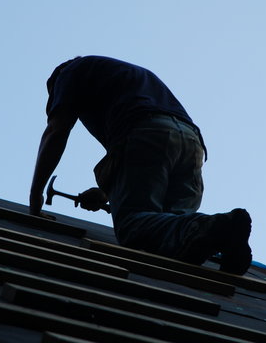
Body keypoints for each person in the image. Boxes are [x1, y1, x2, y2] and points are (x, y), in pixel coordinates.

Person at [30, 55, 252, 275]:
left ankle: (216, 227)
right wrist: (108, 192)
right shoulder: (126, 76)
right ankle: (225, 237)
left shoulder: (70, 73)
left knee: (133, 227)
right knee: (171, 236)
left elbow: (56, 131)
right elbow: (150, 153)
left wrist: (36, 194)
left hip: (147, 133)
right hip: (191, 143)